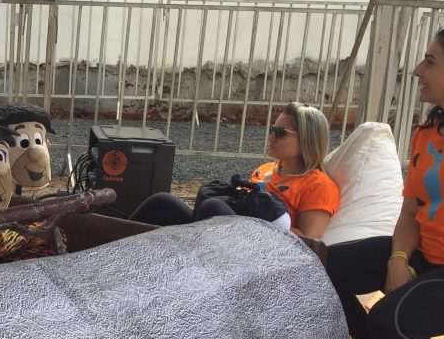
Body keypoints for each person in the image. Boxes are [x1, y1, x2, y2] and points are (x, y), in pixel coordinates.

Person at [327, 32, 444, 339]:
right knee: (317, 268)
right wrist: (397, 259)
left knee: (391, 320)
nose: (417, 70)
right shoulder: (428, 132)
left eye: (430, 61)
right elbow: (410, 210)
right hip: (423, 256)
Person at [130, 102, 340, 239]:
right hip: (229, 238)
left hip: (261, 252)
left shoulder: (319, 185)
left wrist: (268, 220)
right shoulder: (265, 170)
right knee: (162, 202)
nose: (270, 137)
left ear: (306, 140)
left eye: (280, 132)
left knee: (213, 207)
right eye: (272, 130)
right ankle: (112, 246)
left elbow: (308, 243)